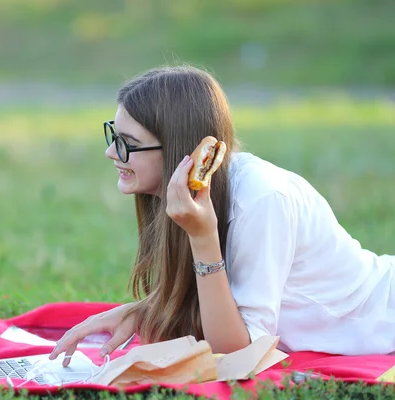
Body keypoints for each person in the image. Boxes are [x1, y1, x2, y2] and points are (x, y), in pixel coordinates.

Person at [49, 65, 395, 366]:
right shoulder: (187, 193)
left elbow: (238, 355)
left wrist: (203, 239)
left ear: (177, 148)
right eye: (113, 134)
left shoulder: (261, 200)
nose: (111, 152)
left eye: (127, 141)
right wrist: (142, 311)